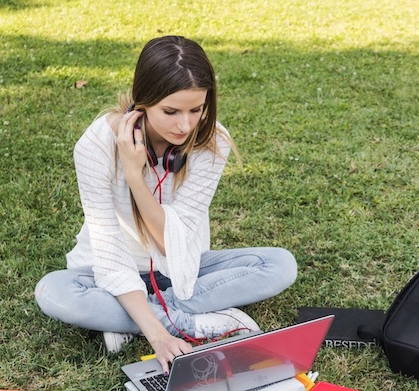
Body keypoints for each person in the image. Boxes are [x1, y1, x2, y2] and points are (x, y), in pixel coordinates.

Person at [35, 36, 297, 372]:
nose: (185, 126)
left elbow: (168, 244)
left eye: (196, 110)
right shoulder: (95, 145)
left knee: (279, 265)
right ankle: (195, 321)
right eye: (170, 111)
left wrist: (135, 179)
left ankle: (127, 319)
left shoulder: (211, 141)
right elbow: (109, 253)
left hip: (181, 269)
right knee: (53, 291)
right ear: (142, 102)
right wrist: (160, 336)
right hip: (107, 273)